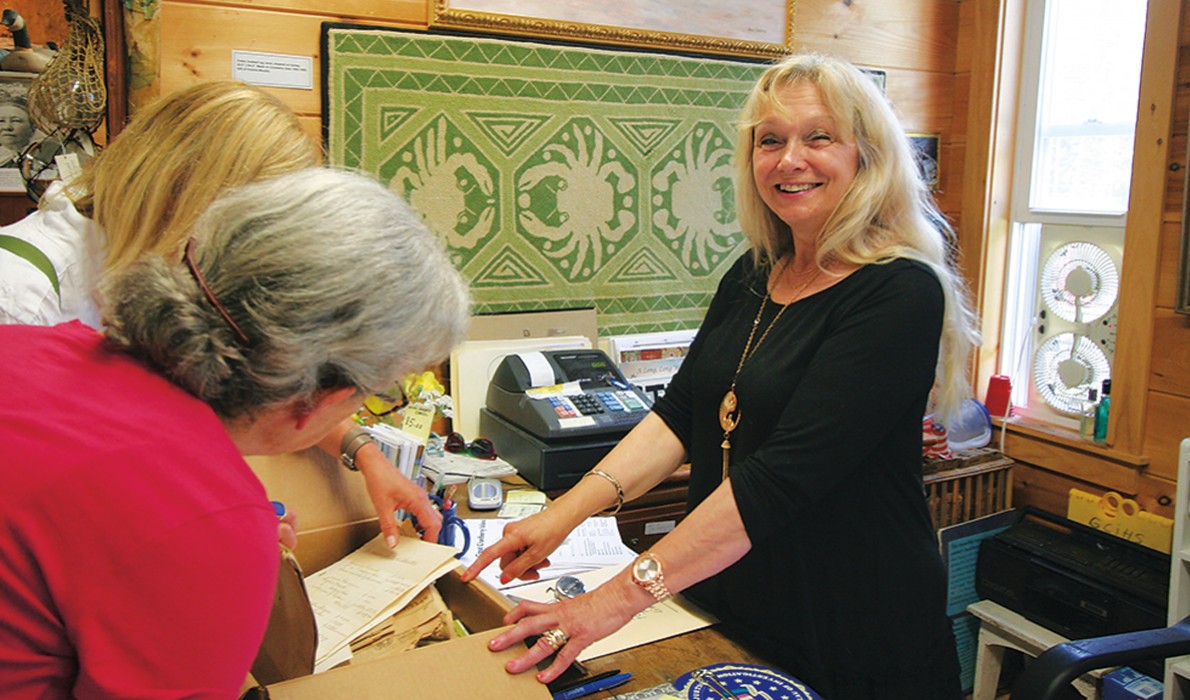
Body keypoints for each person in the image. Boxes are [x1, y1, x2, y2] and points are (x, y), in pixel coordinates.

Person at [462, 53, 980, 700]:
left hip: (851, 626)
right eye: (771, 140)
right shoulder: (755, 271)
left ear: (866, 157)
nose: (790, 159)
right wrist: (562, 516)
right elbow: (682, 413)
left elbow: (779, 480)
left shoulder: (898, 293)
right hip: (732, 606)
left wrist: (605, 605)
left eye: (818, 137)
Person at [0, 167, 470, 697]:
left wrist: (204, 545)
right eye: (381, 391)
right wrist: (211, 547)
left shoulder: (28, 346)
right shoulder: (202, 525)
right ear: (323, 398)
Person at [0, 79, 446, 550]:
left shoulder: (154, 261)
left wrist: (363, 451)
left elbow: (258, 389)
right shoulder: (19, 294)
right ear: (192, 197)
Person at [0, 94, 33, 165]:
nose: (7, 127)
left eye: (16, 121)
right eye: (1, 121)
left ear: (32, 126)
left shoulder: (45, 156)